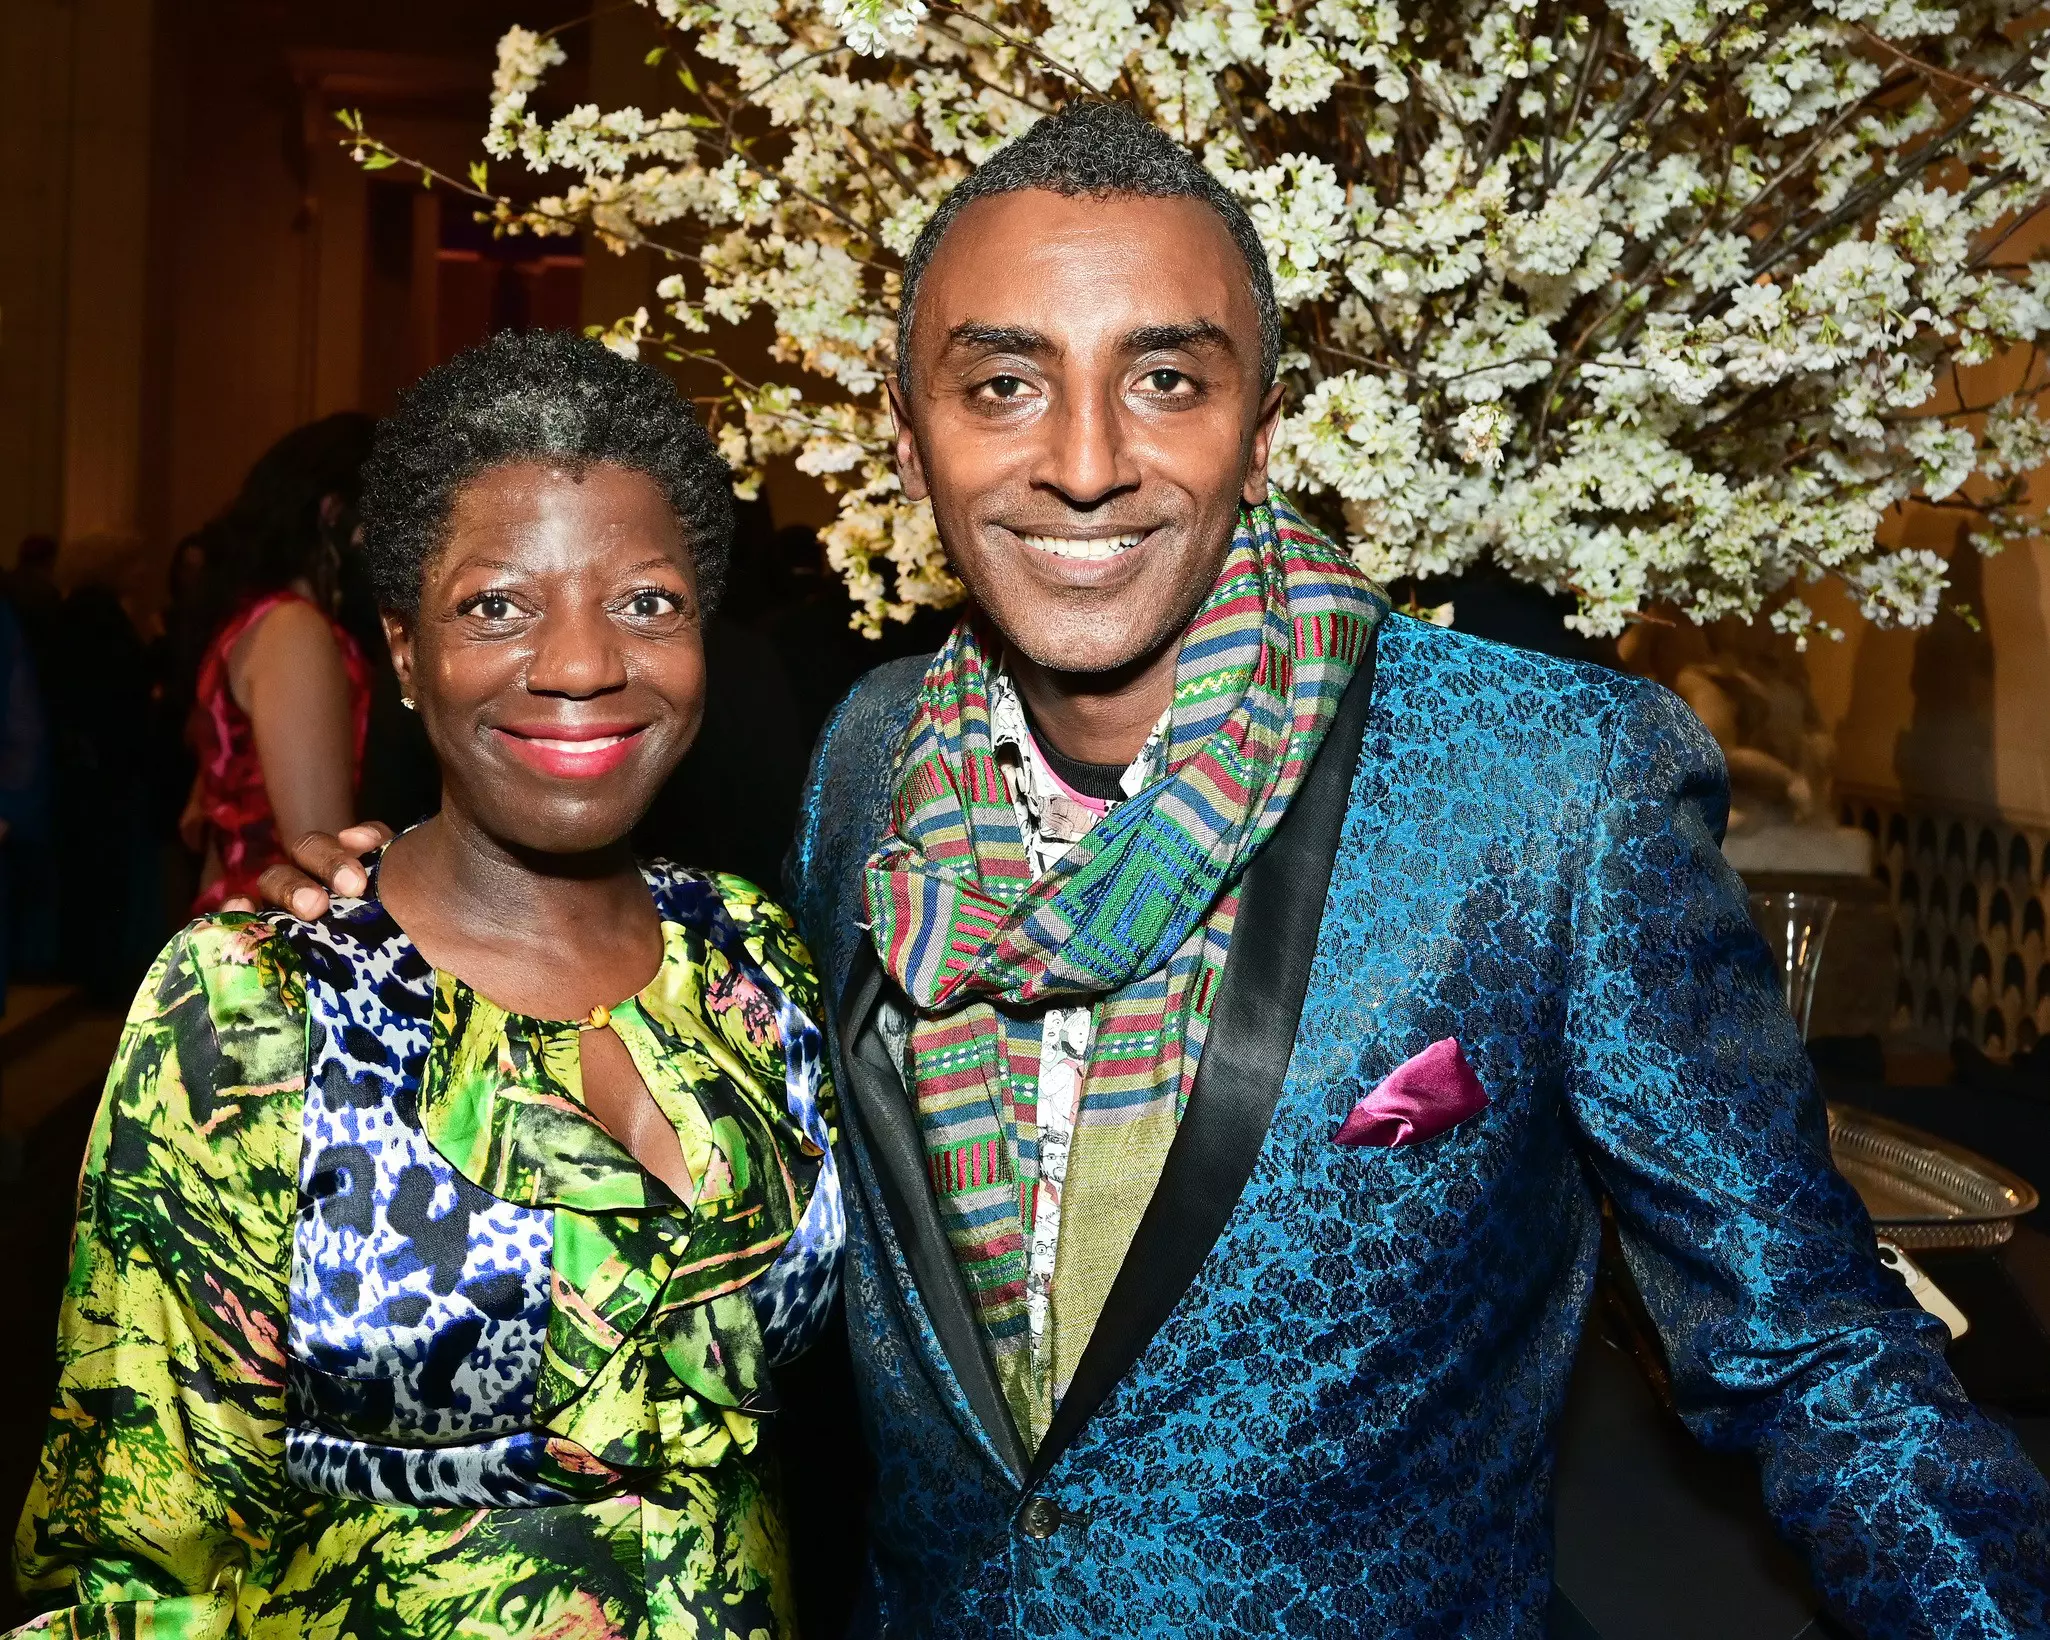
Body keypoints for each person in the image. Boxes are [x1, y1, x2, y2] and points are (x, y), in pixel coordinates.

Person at [262, 105, 2050, 1637]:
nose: (1089, 464)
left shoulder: (1545, 786)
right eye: (1004, 383)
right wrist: (385, 915)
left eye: (1167, 380)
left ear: (1263, 427)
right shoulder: (869, 766)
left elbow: (1811, 1357)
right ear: (911, 440)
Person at [12, 331, 842, 1640]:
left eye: (646, 601)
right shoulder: (255, 1007)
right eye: (496, 605)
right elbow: (138, 1547)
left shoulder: (750, 953)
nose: (579, 664)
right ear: (402, 655)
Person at [184, 418, 377, 911]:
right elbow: (324, 853)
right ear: (334, 513)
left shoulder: (257, 619)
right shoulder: (295, 631)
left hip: (245, 921)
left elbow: (210, 829)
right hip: (284, 936)